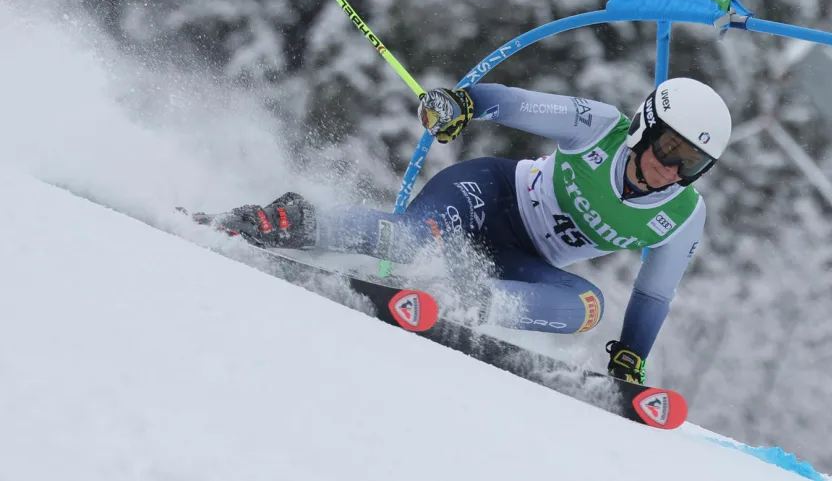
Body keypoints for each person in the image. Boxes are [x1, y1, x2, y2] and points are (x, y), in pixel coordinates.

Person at [207, 78, 732, 384]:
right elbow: (521, 105)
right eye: (669, 150)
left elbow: (654, 291)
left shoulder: (683, 215)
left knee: (589, 307)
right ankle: (289, 221)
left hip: (520, 262)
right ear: (644, 128)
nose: (672, 171)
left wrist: (632, 356)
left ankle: (464, 299)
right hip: (490, 197)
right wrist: (466, 103)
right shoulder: (600, 127)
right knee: (412, 241)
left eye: (692, 164)